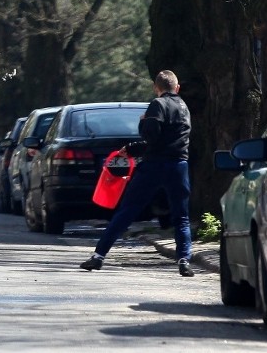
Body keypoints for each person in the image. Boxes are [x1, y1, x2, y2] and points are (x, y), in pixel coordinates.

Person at [80, 70, 194, 277]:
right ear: (177, 88)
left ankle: (99, 256)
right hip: (179, 165)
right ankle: (185, 260)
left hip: (154, 166)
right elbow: (167, 140)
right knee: (181, 216)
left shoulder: (157, 105)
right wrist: (133, 149)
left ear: (156, 87)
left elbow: (151, 136)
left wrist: (143, 121)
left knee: (127, 211)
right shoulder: (184, 108)